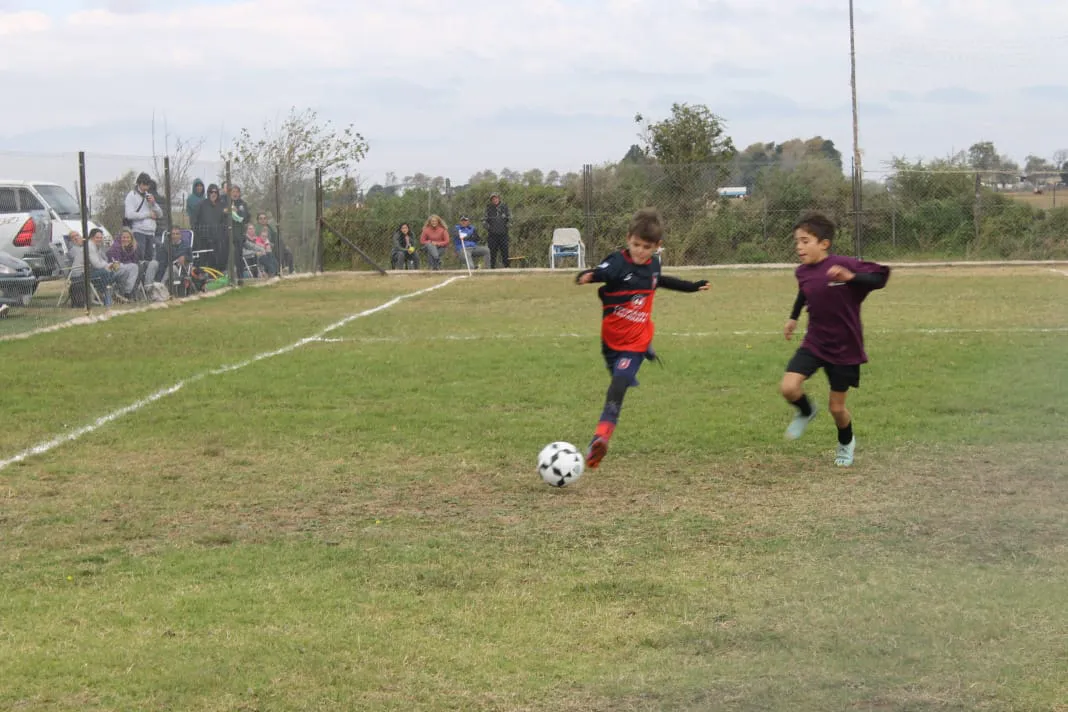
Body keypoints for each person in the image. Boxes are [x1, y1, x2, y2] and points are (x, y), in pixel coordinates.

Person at [575, 207, 710, 470]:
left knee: (619, 384)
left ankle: (599, 439)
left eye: (646, 247)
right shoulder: (617, 262)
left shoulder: (653, 266)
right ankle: (600, 438)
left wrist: (692, 286)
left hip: (634, 343)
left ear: (657, 247)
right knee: (617, 377)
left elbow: (662, 281)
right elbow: (602, 272)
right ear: (628, 239)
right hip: (611, 342)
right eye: (636, 245)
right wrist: (587, 276)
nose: (640, 251)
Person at [780, 212, 891, 468]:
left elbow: (881, 276)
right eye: (797, 241)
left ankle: (846, 441)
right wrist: (793, 317)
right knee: (788, 388)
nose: (799, 246)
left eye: (805, 241)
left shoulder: (844, 264)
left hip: (845, 348)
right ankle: (806, 411)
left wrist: (852, 278)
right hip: (815, 342)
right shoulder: (802, 272)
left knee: (837, 408)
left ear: (824, 244)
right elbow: (805, 291)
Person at [70, 228, 119, 305]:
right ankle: (106, 297)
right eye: (97, 237)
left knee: (111, 272)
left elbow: (100, 261)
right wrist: (109, 265)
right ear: (91, 238)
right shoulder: (89, 246)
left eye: (100, 237)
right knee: (105, 272)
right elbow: (96, 264)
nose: (99, 239)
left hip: (87, 271)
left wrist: (109, 265)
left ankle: (106, 296)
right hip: (79, 275)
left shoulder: (95, 246)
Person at [106, 228, 157, 299]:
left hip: (131, 270)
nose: (126, 239)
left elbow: (139, 259)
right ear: (120, 238)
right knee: (135, 267)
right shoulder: (116, 247)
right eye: (123, 237)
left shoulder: (134, 247)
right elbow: (116, 264)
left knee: (145, 265)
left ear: (131, 238)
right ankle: (128, 293)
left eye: (128, 237)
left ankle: (138, 291)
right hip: (115, 270)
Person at [124, 172, 164, 261]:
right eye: (144, 184)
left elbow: (160, 214)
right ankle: (140, 274)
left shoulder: (148, 195)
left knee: (150, 259)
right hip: (139, 231)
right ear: (139, 183)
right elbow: (129, 214)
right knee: (140, 258)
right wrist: (148, 215)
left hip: (151, 232)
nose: (146, 187)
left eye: (147, 185)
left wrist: (153, 203)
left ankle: (148, 275)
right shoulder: (131, 195)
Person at [193, 183, 227, 272]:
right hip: (203, 239)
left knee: (218, 261)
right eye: (211, 192)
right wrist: (197, 234)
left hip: (218, 240)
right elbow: (194, 221)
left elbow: (225, 221)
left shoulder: (222, 206)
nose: (214, 194)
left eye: (216, 192)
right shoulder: (201, 204)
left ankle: (218, 280)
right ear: (208, 193)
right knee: (203, 264)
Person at [483, 192, 511, 268]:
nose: (495, 200)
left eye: (496, 198)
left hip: (503, 234)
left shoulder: (505, 207)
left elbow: (510, 218)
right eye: (493, 199)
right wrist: (489, 228)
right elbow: (484, 220)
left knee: (505, 252)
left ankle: (507, 268)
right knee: (492, 253)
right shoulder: (488, 208)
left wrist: (507, 225)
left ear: (499, 198)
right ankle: (491, 269)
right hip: (492, 235)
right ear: (491, 200)